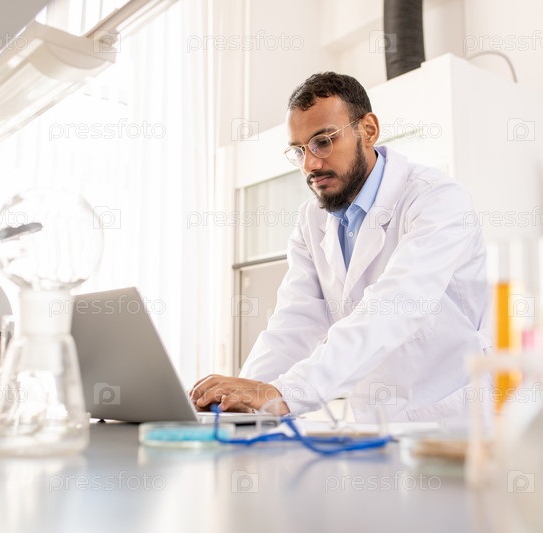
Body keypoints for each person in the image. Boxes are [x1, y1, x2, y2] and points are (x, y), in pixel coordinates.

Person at [190, 72, 491, 423]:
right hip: (374, 423)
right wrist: (239, 403)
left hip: (454, 419)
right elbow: (294, 321)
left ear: (368, 130)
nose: (310, 164)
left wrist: (286, 394)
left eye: (323, 142)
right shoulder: (312, 219)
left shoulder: (437, 199)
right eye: (299, 150)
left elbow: (397, 304)